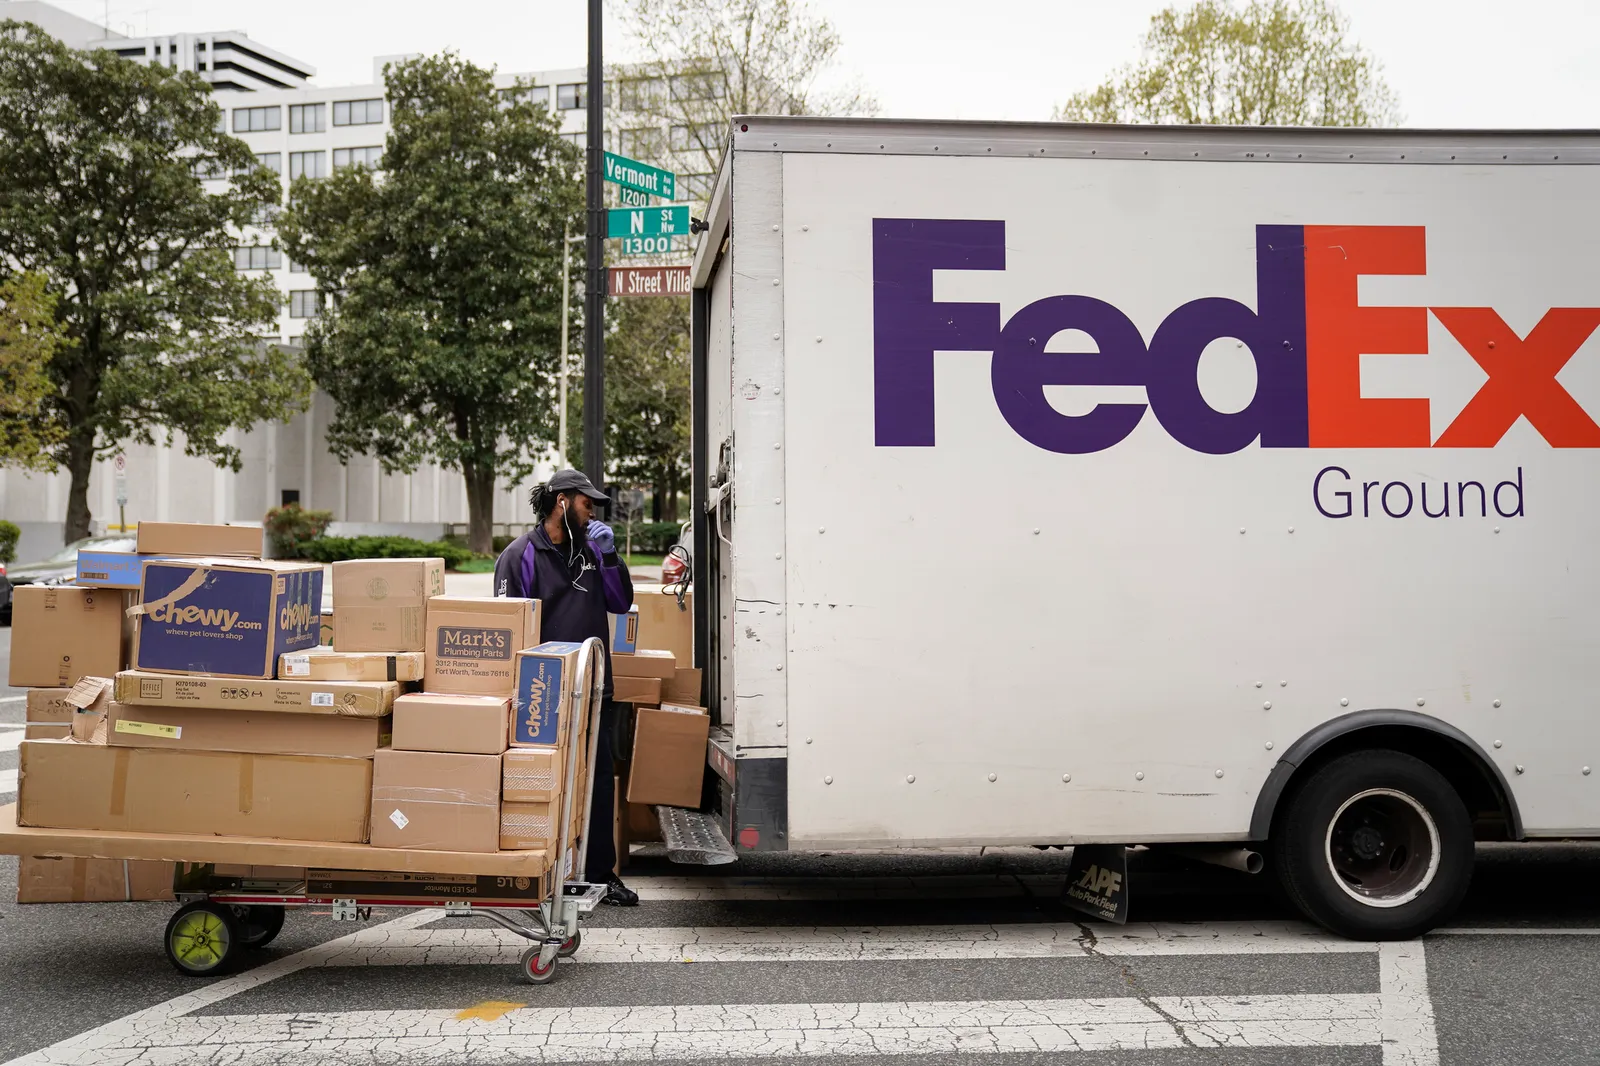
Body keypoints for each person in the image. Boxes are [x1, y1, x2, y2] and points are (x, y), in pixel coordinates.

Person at [493, 469, 639, 906]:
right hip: (541, 690)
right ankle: (531, 867)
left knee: (597, 780)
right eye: (585, 501)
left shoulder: (595, 551)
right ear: (561, 501)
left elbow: (620, 603)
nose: (591, 509)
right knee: (539, 780)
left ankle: (600, 872)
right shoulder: (520, 555)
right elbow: (507, 624)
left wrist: (611, 556)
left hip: (593, 685)